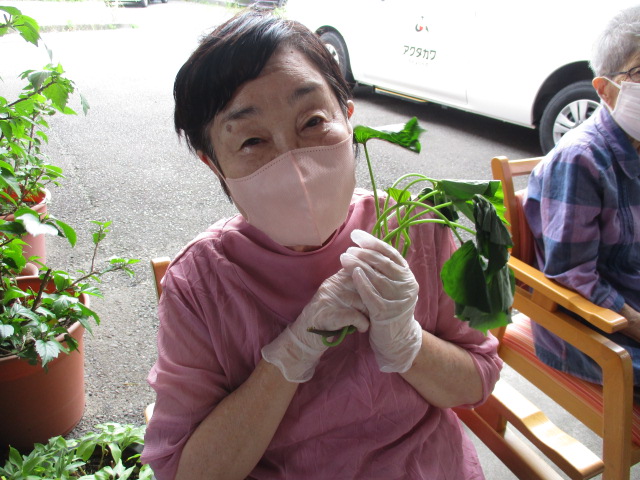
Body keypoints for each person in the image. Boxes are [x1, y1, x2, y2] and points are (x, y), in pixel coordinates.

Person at [142, 9, 502, 480]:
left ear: (348, 117)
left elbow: (475, 381)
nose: (294, 161)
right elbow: (188, 472)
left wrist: (407, 341)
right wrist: (291, 353)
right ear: (214, 164)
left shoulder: (419, 228)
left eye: (312, 121)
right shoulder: (201, 284)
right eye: (251, 140)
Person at [524, 6, 640, 393]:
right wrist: (636, 324)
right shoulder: (582, 159)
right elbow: (573, 275)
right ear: (605, 90)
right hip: (590, 330)